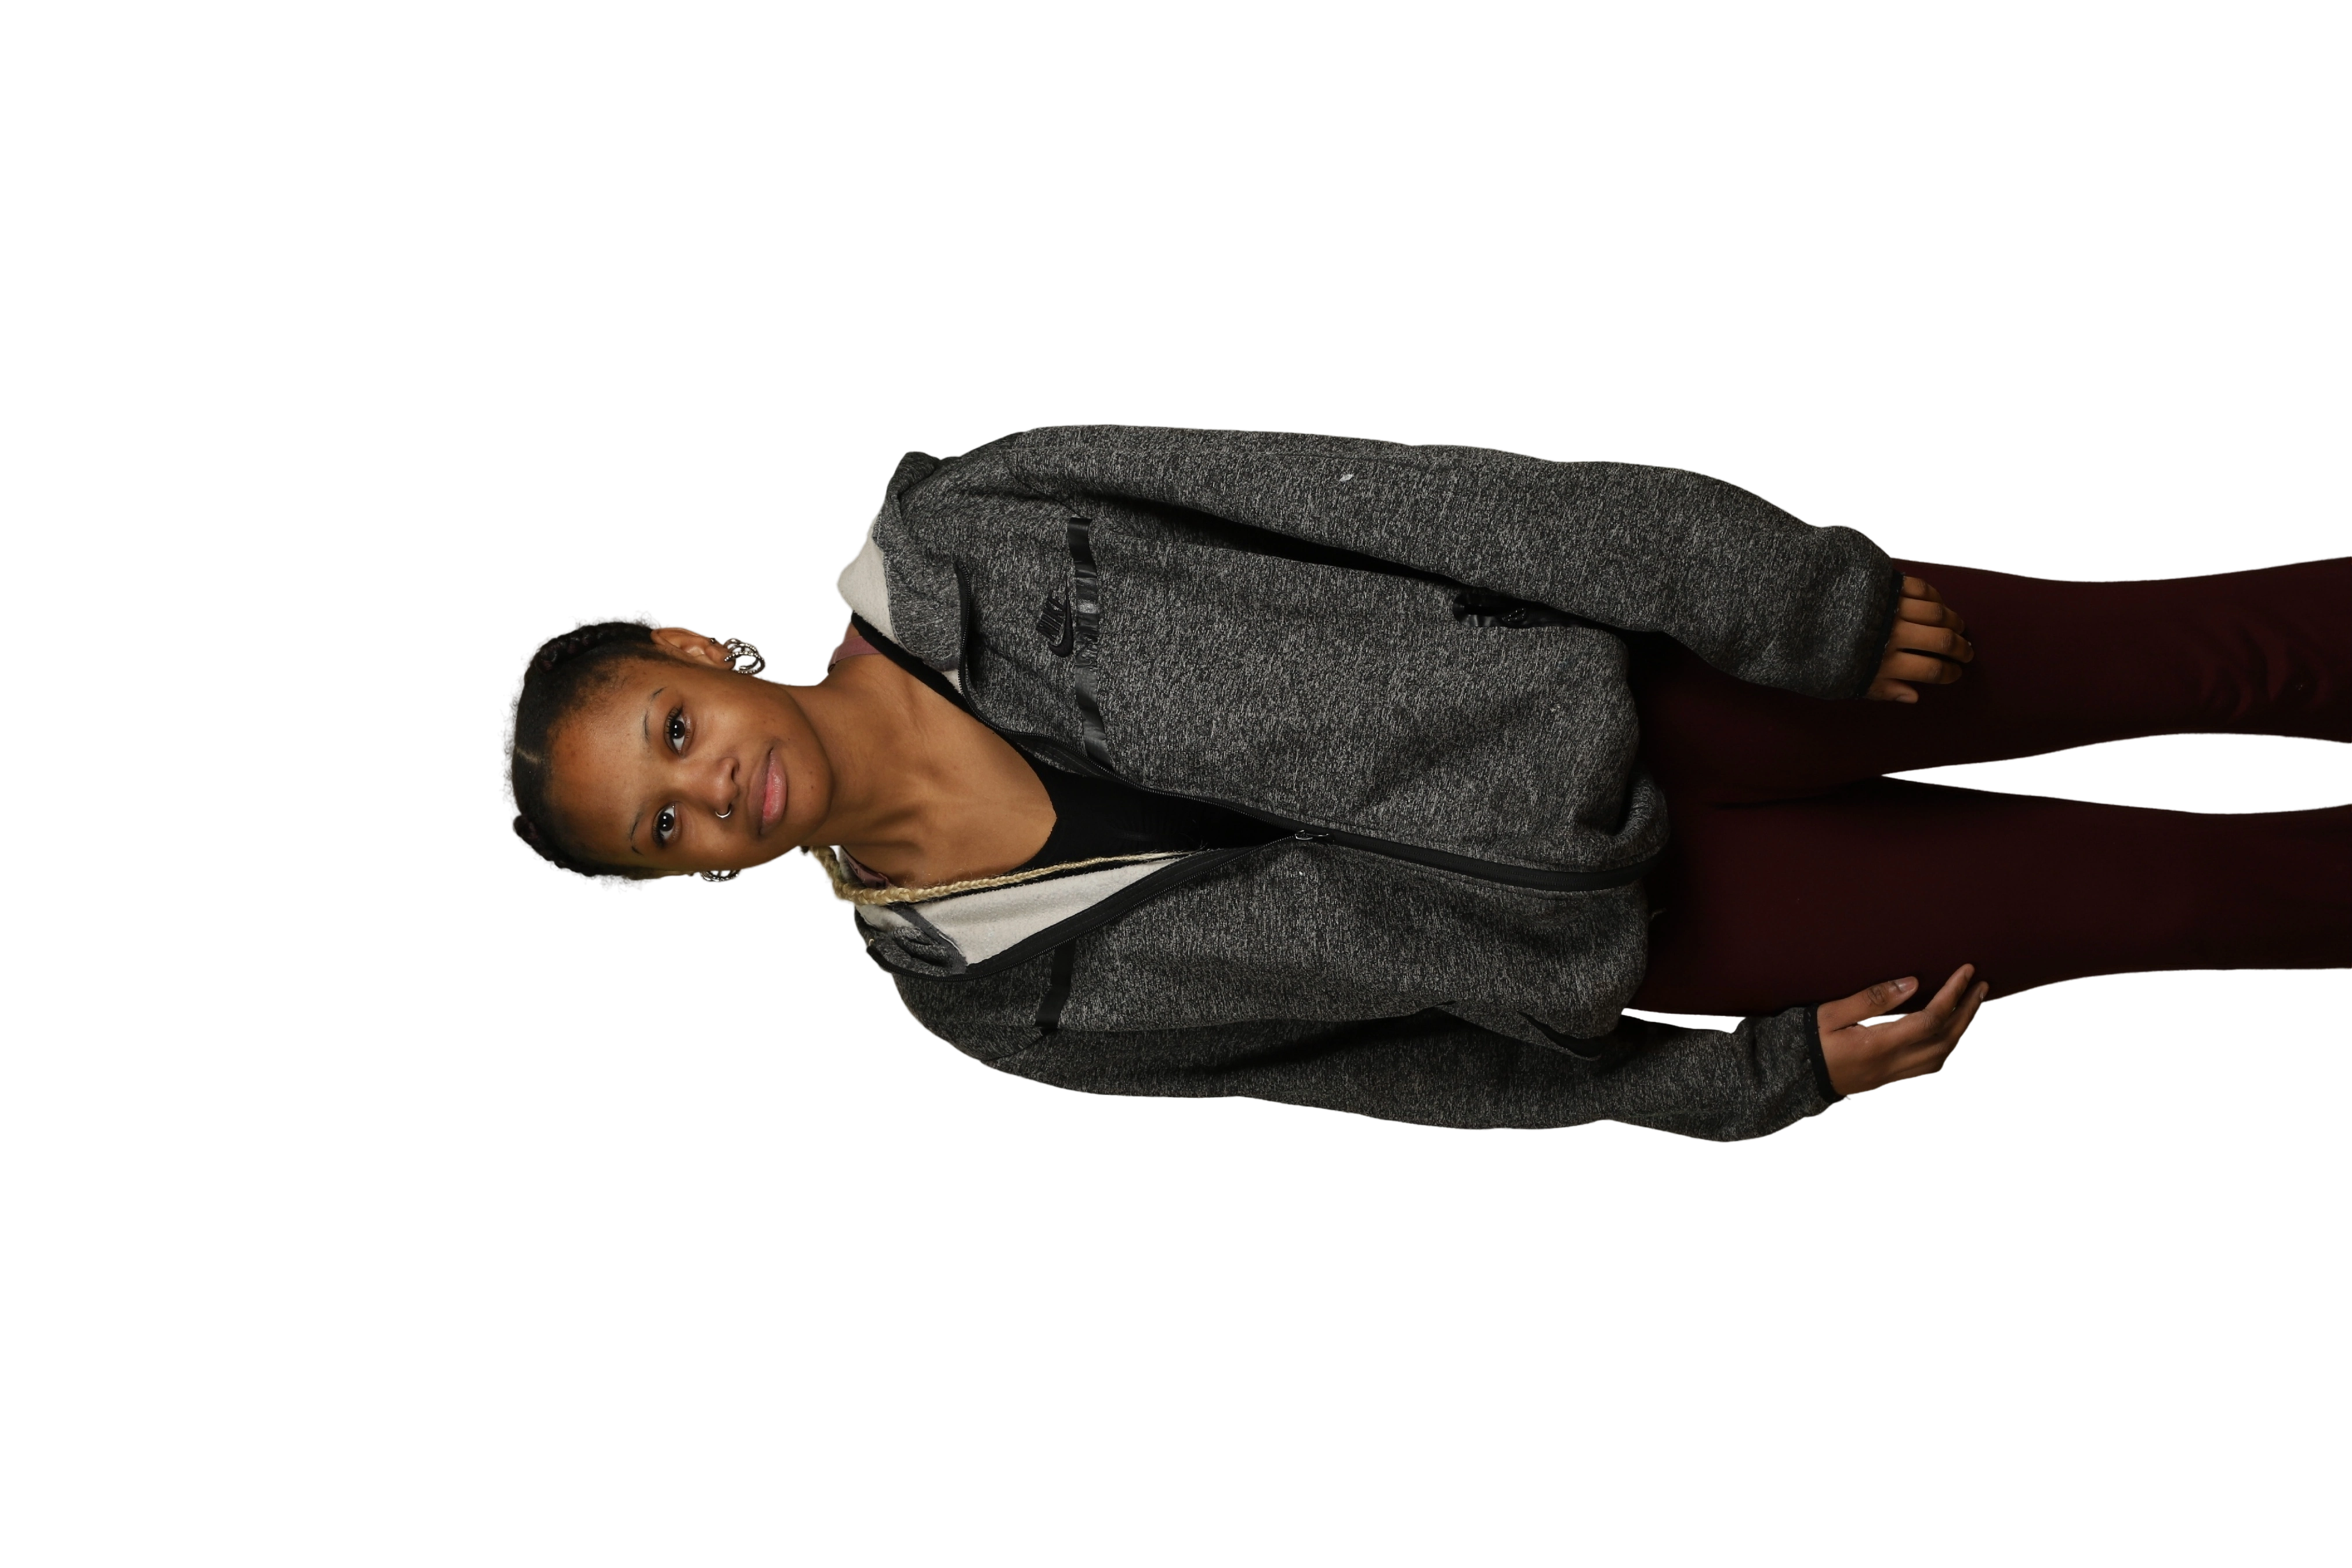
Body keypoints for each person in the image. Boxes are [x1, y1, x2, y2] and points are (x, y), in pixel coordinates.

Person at [495, 423, 2352, 1143]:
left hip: (1672, 682)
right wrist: (1742, 1081)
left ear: (704, 653)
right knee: (2180, 900)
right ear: (693, 881)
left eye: (671, 732)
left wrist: (1778, 593)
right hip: (1667, 935)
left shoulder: (983, 524)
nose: (708, 791)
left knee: (2195, 664)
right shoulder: (992, 1001)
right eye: (661, 828)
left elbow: (1385, 499)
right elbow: (1394, 1077)